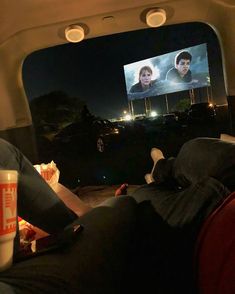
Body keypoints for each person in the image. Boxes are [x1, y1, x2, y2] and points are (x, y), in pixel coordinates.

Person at [0, 137, 233, 293]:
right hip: (187, 219)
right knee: (200, 158)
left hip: (177, 215)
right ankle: (161, 169)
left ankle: (160, 171)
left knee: (144, 195)